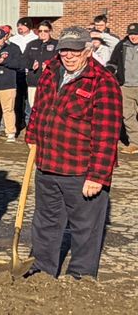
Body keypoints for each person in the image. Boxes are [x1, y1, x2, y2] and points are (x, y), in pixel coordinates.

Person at [27, 27, 123, 279]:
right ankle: (42, 270)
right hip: (47, 165)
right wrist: (32, 136)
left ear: (88, 50)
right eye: (64, 50)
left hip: (80, 170)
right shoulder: (51, 71)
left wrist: (98, 176)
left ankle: (80, 277)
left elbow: (107, 134)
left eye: (75, 50)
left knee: (85, 228)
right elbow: (38, 109)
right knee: (45, 223)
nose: (68, 55)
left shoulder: (103, 82)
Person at [106, 23, 138, 154]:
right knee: (128, 115)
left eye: (136, 34)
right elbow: (113, 62)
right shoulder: (121, 46)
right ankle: (135, 143)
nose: (133, 37)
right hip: (125, 86)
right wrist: (108, 71)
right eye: (131, 34)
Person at [23, 21, 58, 124]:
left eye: (45, 31)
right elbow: (23, 60)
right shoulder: (31, 44)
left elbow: (60, 61)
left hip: (50, 83)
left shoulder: (56, 44)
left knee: (48, 108)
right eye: (40, 31)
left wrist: (50, 65)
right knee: (33, 107)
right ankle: (32, 128)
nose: (42, 33)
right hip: (34, 81)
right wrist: (31, 64)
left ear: (50, 31)